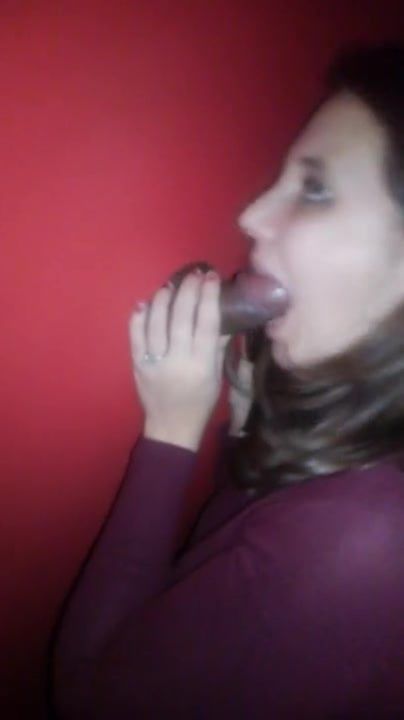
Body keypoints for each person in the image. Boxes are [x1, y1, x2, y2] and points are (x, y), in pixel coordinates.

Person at [50, 43, 404, 719]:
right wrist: (244, 431)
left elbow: (86, 700)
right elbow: (249, 573)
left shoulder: (370, 540)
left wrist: (170, 432)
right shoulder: (361, 443)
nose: (250, 216)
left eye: (316, 189)